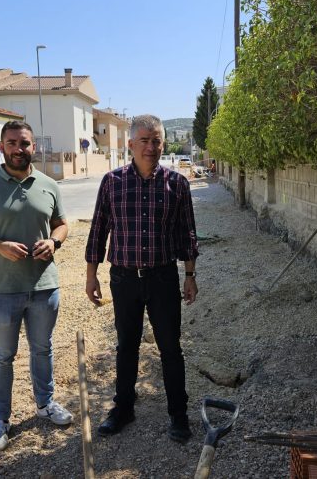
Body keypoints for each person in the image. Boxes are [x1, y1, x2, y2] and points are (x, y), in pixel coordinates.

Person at [0, 120, 72, 453]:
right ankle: (0, 421)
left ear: (33, 147)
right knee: (1, 357)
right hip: (1, 289)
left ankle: (45, 404)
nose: (18, 149)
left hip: (44, 287)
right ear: (1, 147)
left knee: (43, 349)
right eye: (11, 143)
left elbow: (62, 224)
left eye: (24, 143)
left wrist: (54, 242)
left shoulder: (50, 185)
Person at [85, 114, 199, 443]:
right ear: (130, 144)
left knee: (170, 349)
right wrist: (91, 277)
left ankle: (179, 415)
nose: (151, 147)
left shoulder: (177, 184)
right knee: (127, 347)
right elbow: (98, 232)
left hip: (163, 278)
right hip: (123, 279)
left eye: (157, 140)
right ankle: (123, 409)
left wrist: (189, 275)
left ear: (163, 144)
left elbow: (187, 235)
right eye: (145, 141)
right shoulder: (112, 182)